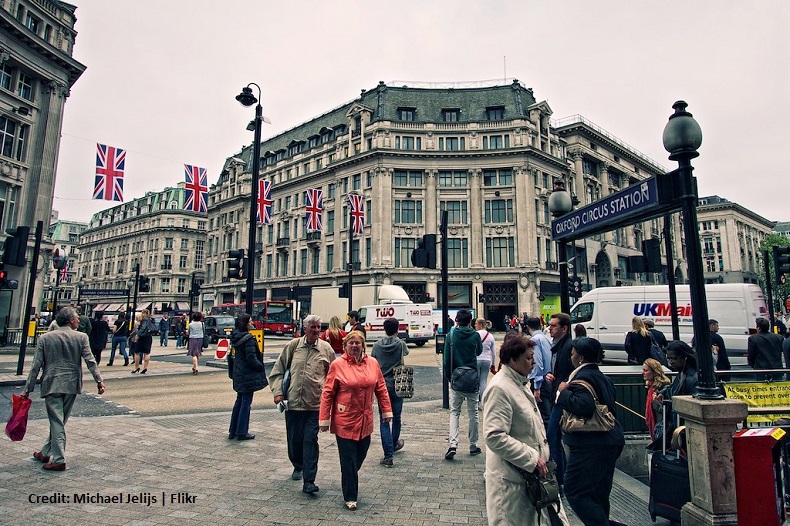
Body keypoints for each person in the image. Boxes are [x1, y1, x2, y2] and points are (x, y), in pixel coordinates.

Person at [483, 334, 570, 526]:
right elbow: (494, 435)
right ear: (513, 360)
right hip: (513, 480)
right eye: (529, 358)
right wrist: (532, 459)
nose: (533, 362)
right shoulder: (500, 388)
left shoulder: (520, 382)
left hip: (532, 478)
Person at [21, 306, 105, 471]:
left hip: (52, 383)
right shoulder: (81, 337)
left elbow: (36, 365)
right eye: (76, 318)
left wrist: (27, 388)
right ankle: (48, 453)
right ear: (70, 320)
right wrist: (99, 380)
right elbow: (90, 360)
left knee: (57, 421)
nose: (79, 321)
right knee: (59, 421)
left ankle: (57, 458)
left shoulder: (45, 338)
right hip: (72, 384)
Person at [319, 331, 392, 511]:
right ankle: (350, 496)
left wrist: (387, 411)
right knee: (349, 459)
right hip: (345, 420)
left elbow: (381, 388)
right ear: (345, 346)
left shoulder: (373, 363)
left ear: (363, 345)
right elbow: (327, 393)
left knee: (361, 453)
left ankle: (349, 475)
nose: (354, 346)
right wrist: (324, 418)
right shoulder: (337, 365)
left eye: (357, 343)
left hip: (365, 420)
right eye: (351, 343)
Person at [556, 337, 624, 525]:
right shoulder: (602, 377)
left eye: (572, 353)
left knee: (575, 491)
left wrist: (564, 392)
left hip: (590, 444)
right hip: (611, 441)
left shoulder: (581, 379)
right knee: (599, 493)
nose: (570, 356)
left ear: (580, 357)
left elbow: (584, 406)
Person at [270, 314, 335, 495]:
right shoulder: (293, 346)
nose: (316, 331)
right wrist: (278, 393)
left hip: (315, 405)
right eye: (313, 327)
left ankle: (309, 481)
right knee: (294, 440)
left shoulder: (326, 349)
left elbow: (333, 377)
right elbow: (277, 371)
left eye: (318, 328)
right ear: (304, 329)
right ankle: (297, 464)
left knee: (310, 441)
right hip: (292, 404)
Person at [443, 308, 483, 460]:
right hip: (472, 377)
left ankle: (453, 444)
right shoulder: (475, 335)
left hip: (456, 378)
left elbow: (446, 360)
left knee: (455, 412)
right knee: (473, 413)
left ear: (457, 320)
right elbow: (479, 352)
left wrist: (449, 377)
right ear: (470, 321)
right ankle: (473, 445)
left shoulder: (451, 335)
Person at [371, 317, 409, 466]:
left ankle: (388, 455)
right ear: (397, 328)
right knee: (397, 417)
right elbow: (406, 353)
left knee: (384, 419)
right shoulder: (401, 344)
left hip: (382, 385)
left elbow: (373, 359)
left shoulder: (377, 345)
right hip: (398, 383)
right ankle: (393, 444)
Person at [545, 312, 573, 488]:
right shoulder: (558, 345)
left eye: (554, 325)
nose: (550, 328)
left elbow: (572, 373)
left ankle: (560, 478)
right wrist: (553, 377)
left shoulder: (568, 347)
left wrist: (563, 383)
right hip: (557, 393)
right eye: (550, 325)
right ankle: (561, 475)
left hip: (562, 397)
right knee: (554, 435)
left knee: (552, 435)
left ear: (564, 328)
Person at [228, 313, 267, 440]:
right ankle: (242, 431)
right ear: (245, 324)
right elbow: (251, 358)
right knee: (246, 403)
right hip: (247, 374)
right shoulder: (248, 338)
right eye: (250, 321)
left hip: (238, 371)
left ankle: (233, 430)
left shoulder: (236, 337)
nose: (252, 323)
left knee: (239, 401)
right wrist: (260, 366)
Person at [525, 316, 553, 428]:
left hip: (541, 381)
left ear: (527, 327)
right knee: (547, 413)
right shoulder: (545, 338)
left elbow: (537, 363)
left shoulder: (534, 340)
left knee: (543, 415)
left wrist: (537, 387)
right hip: (548, 378)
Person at [642, 358, 671, 439]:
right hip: (655, 426)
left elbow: (668, 410)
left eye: (646, 370)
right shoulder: (651, 387)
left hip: (662, 427)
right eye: (643, 370)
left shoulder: (663, 387)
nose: (643, 373)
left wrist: (659, 404)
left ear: (654, 372)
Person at [475, 317, 496, 404]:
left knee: (476, 380)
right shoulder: (490, 336)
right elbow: (493, 351)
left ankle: (476, 400)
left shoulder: (475, 334)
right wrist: (493, 363)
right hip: (487, 360)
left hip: (477, 359)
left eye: (476, 324)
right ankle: (483, 402)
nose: (475, 325)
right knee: (483, 381)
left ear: (480, 325)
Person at [131, 309, 155, 374]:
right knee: (147, 353)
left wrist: (138, 334)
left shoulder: (144, 320)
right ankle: (145, 367)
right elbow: (155, 328)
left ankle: (136, 367)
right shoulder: (151, 320)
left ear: (145, 314)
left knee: (137, 352)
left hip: (142, 337)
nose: (142, 314)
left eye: (143, 313)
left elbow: (143, 328)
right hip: (148, 337)